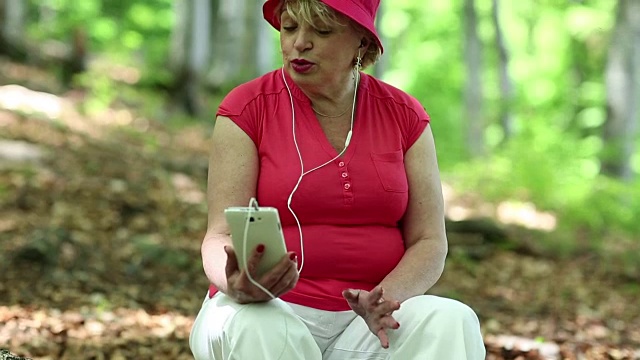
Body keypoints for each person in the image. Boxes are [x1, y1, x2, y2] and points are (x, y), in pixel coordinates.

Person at [189, 0, 486, 358]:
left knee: (451, 319)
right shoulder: (247, 108)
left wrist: (384, 299)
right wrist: (236, 285)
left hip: (366, 325)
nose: (300, 43)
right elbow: (219, 234)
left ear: (361, 41)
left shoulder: (404, 115)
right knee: (262, 326)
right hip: (267, 308)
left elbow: (429, 240)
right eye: (290, 28)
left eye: (322, 31)